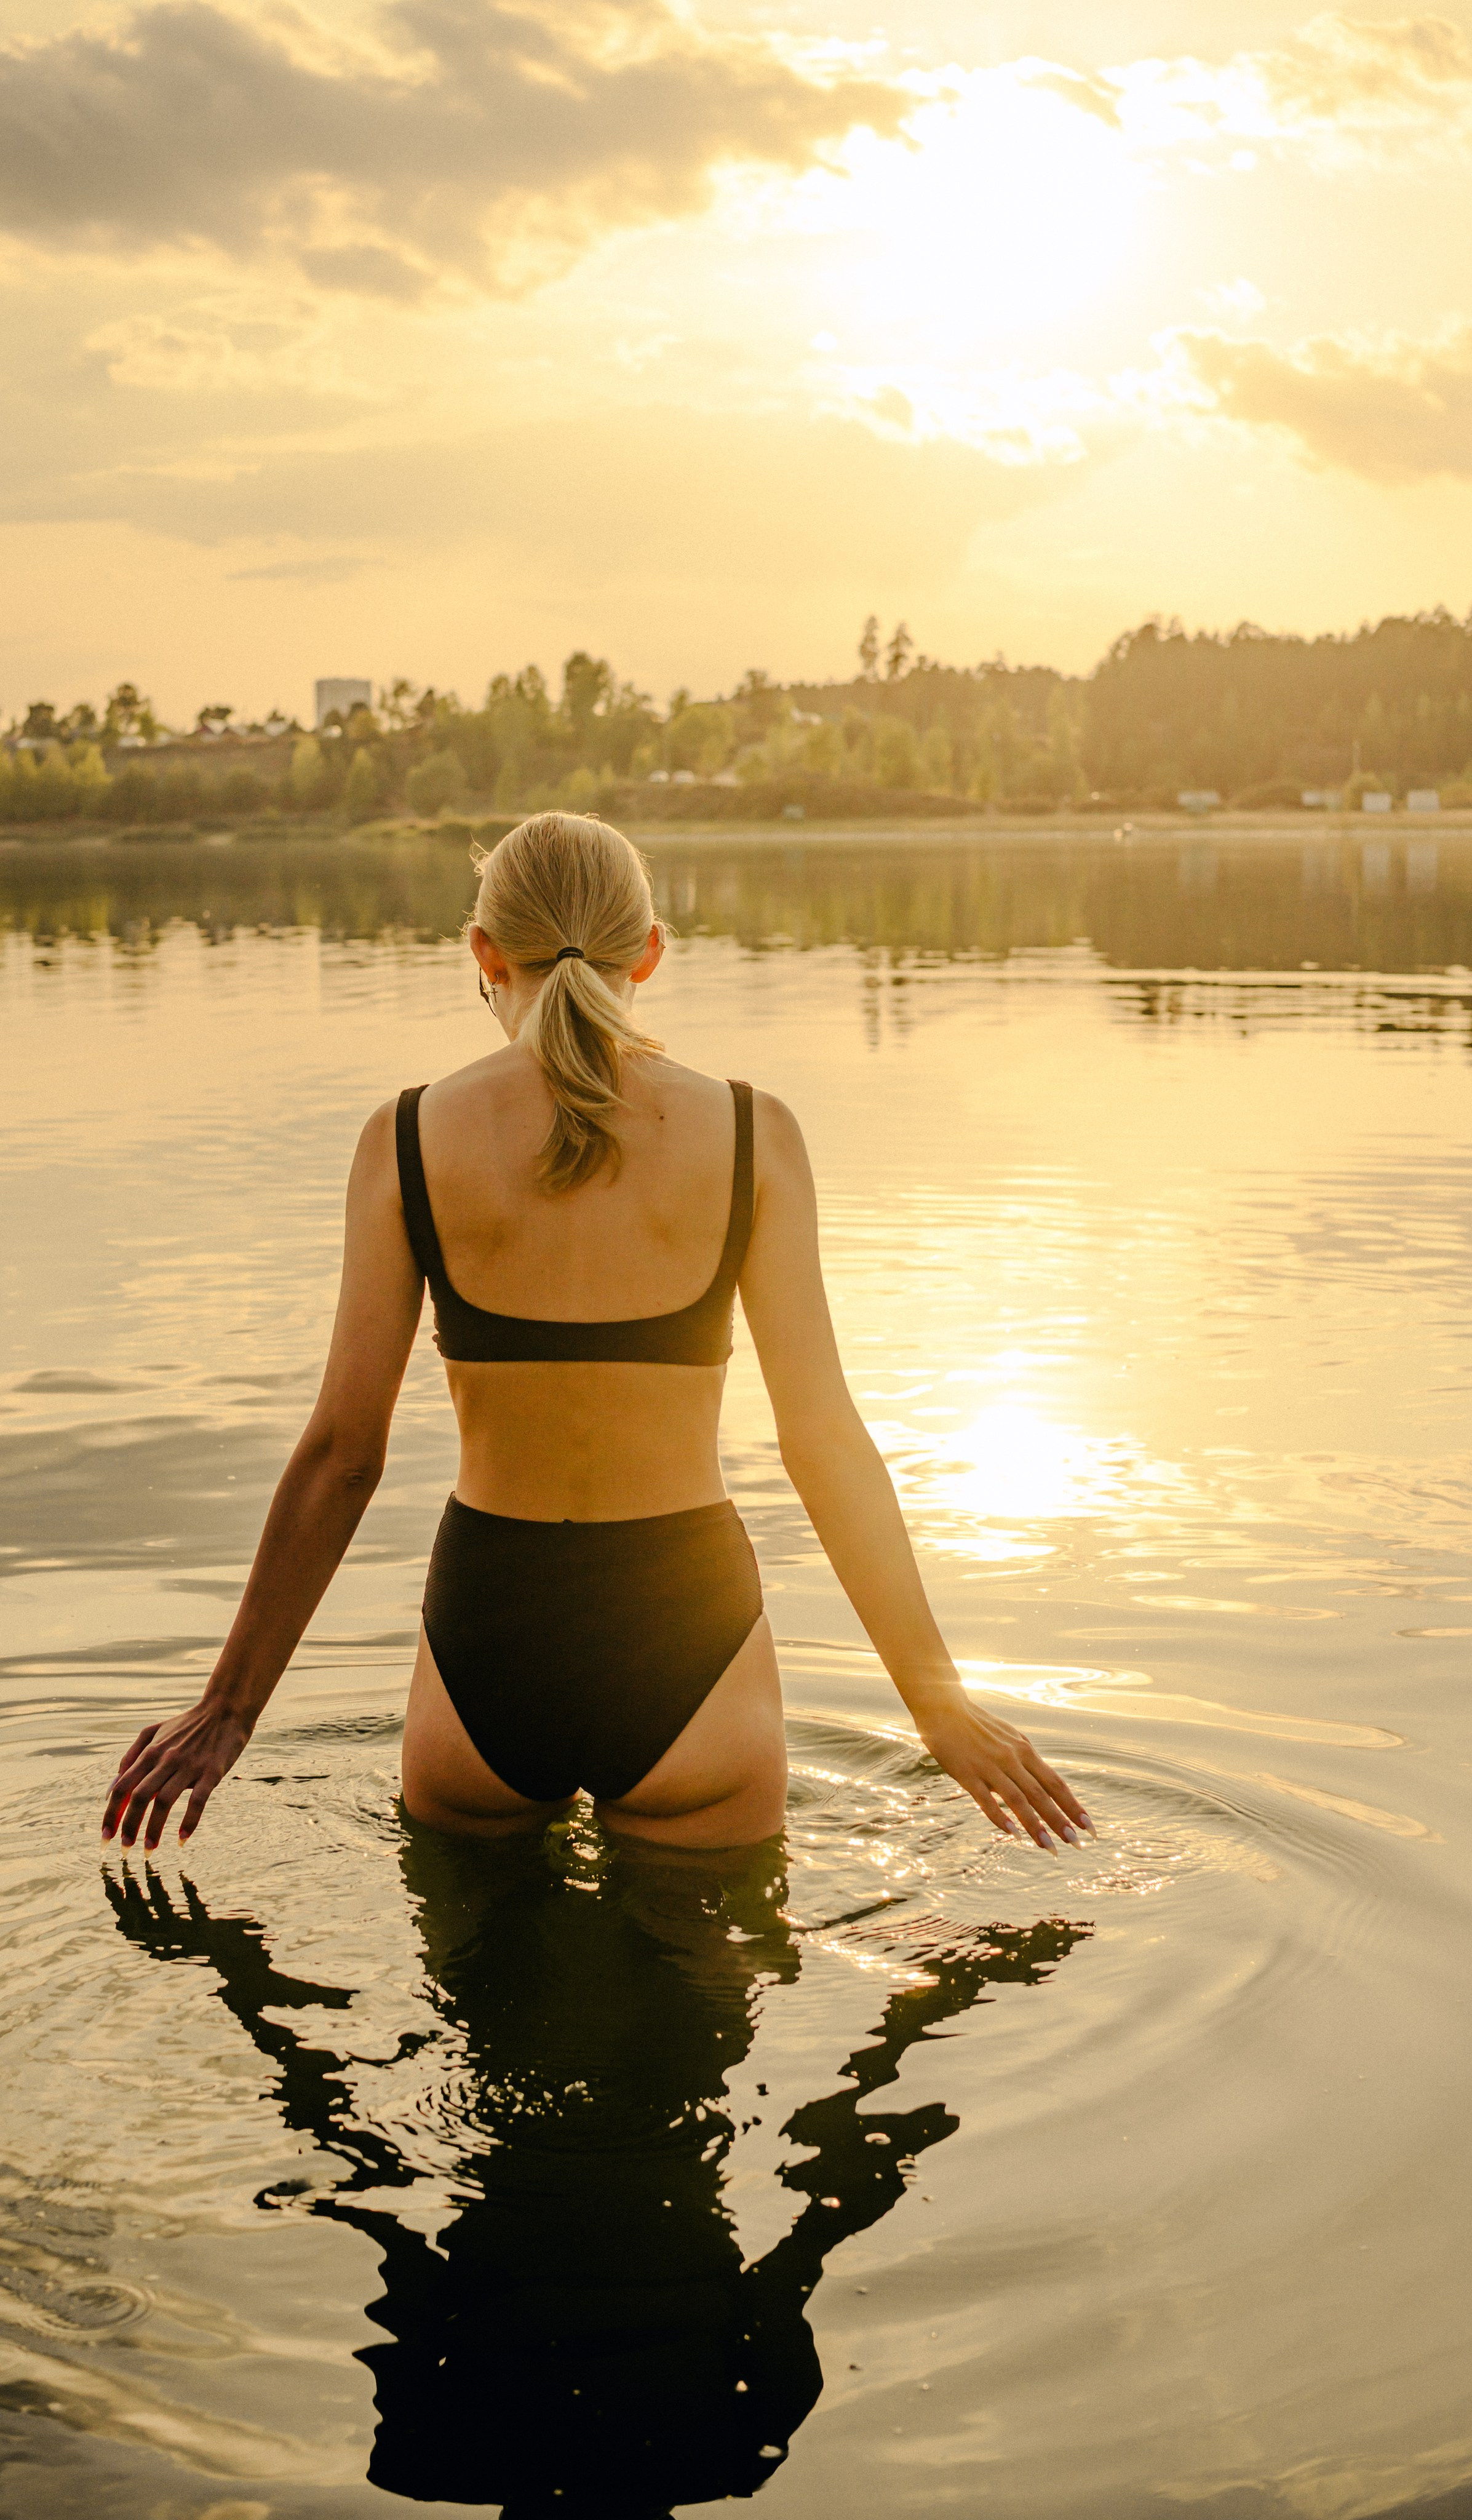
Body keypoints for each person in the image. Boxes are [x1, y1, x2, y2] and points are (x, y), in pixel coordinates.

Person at [101, 812, 1090, 1856]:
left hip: (486, 1644)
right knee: (697, 2013)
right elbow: (823, 1445)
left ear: (483, 953)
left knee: (482, 2009)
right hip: (688, 1643)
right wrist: (941, 1708)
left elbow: (344, 1457)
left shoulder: (405, 1137)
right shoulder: (754, 1135)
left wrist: (227, 1709)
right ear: (651, 952)